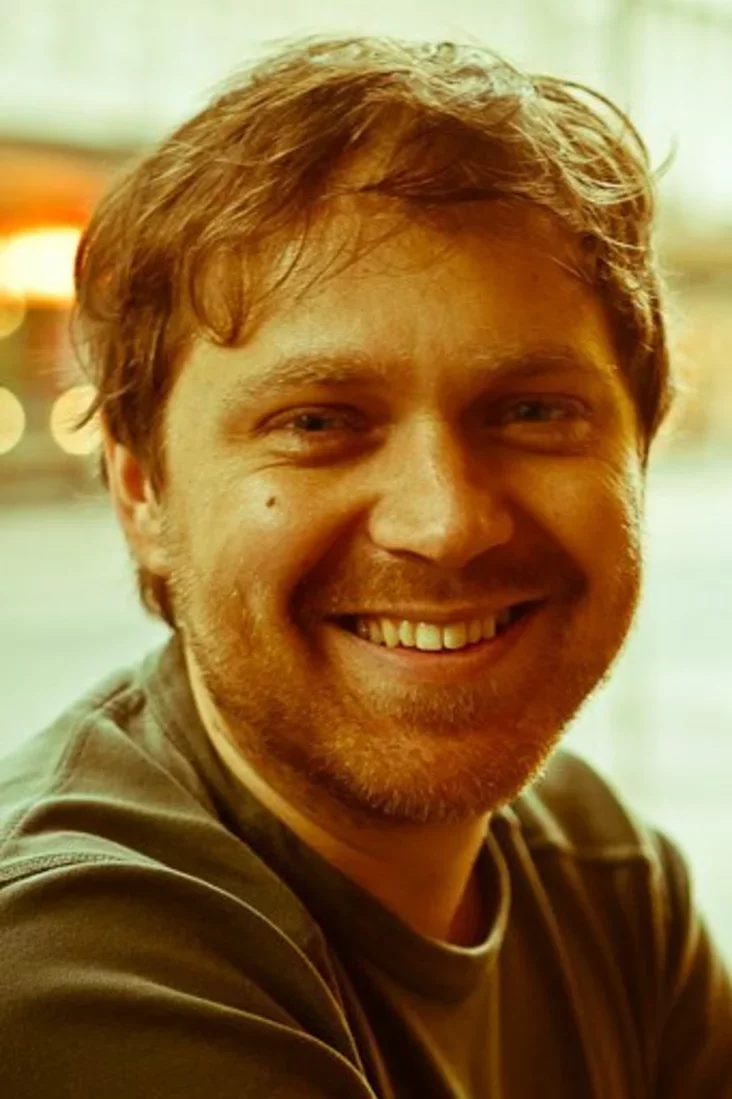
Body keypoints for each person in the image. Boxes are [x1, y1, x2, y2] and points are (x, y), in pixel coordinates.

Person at [0, 35, 730, 1099]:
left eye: (532, 410)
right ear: (142, 492)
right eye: (318, 421)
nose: (447, 522)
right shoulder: (71, 974)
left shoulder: (596, 868)